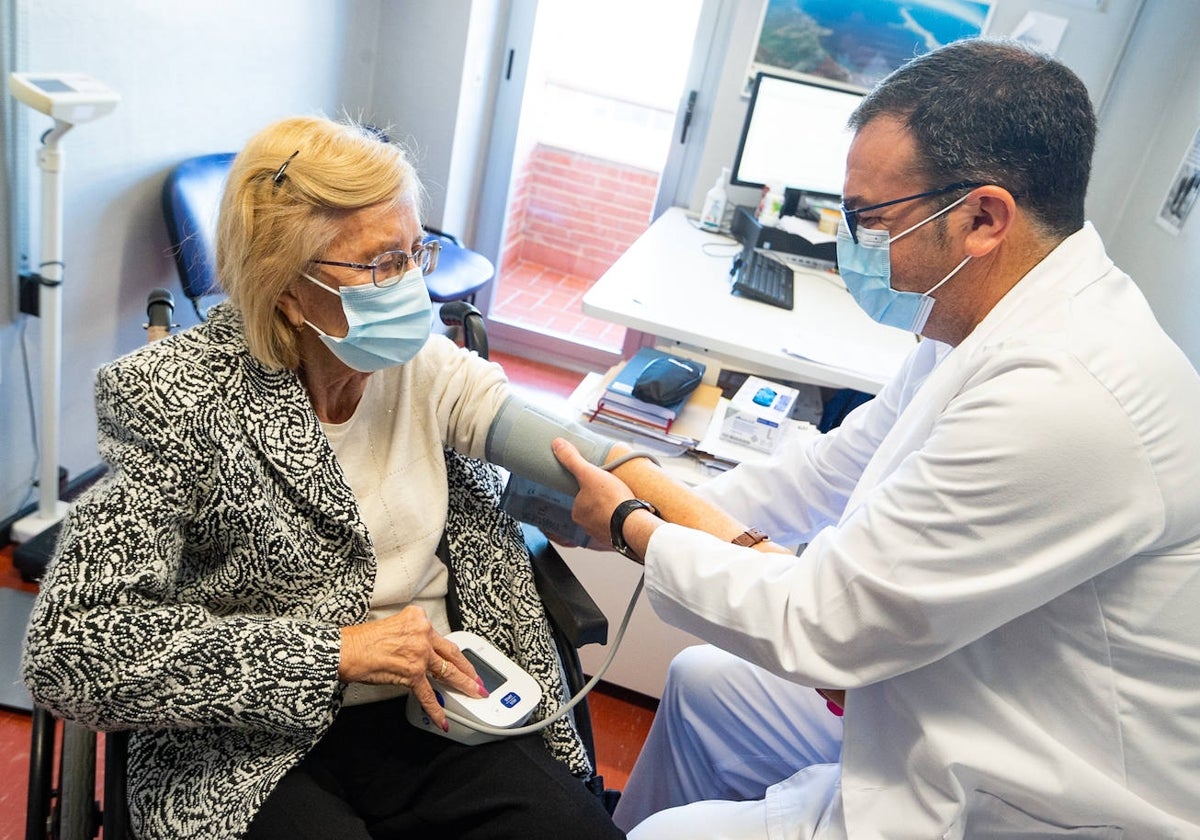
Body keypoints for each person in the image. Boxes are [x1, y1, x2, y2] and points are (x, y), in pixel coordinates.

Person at [552, 39, 1200, 838]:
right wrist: (654, 486)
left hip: (1036, 789)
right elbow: (827, 471)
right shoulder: (980, 323)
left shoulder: (1071, 396)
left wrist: (630, 526)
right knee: (706, 685)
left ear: (983, 218)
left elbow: (821, 623)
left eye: (870, 222)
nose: (849, 247)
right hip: (958, 687)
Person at [21, 115, 626, 840]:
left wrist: (675, 523)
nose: (409, 287)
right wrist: (335, 651)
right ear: (286, 290)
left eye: (413, 253)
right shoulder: (168, 399)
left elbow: (583, 459)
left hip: (432, 705)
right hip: (244, 745)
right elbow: (71, 649)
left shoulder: (421, 367)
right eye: (378, 265)